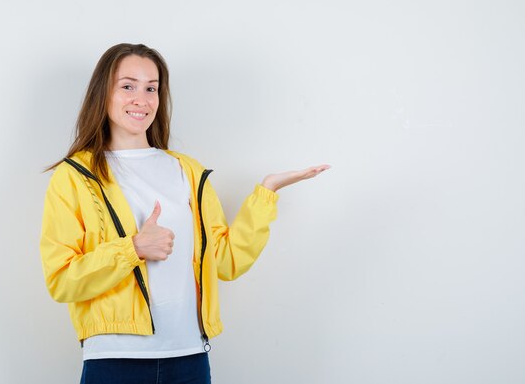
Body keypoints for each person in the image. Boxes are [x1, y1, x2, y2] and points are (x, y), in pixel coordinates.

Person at [39, 43, 329, 384]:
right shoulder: (75, 176)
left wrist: (266, 194)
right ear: (103, 93)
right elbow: (62, 280)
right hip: (116, 360)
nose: (141, 99)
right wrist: (134, 248)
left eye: (151, 88)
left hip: (189, 359)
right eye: (128, 86)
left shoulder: (189, 172)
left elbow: (224, 261)